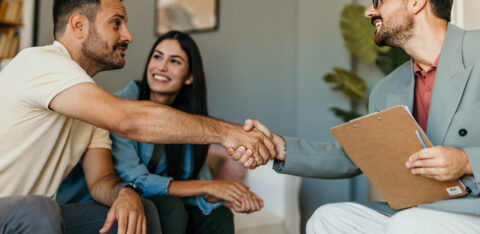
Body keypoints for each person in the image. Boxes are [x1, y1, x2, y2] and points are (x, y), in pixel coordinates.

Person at [0, 0, 275, 233]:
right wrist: (229, 133)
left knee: (143, 209)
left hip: (37, 217)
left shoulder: (89, 104)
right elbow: (129, 121)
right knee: (38, 209)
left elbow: (101, 181)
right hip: (19, 210)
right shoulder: (39, 62)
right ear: (78, 26)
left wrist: (125, 192)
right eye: (116, 23)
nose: (128, 36)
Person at [230, 0, 480, 233]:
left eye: (378, 1)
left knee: (409, 224)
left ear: (416, 1)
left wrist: (466, 161)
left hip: (471, 207)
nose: (369, 12)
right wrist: (277, 148)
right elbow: (355, 157)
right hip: (421, 209)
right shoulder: (387, 89)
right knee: (327, 219)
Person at [111, 31, 263, 234]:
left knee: (219, 216)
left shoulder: (190, 122)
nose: (161, 66)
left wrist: (234, 195)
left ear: (190, 77)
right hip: (120, 200)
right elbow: (135, 181)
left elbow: (195, 189)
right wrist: (207, 186)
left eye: (174, 61)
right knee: (171, 207)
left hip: (163, 204)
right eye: (157, 57)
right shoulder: (120, 106)